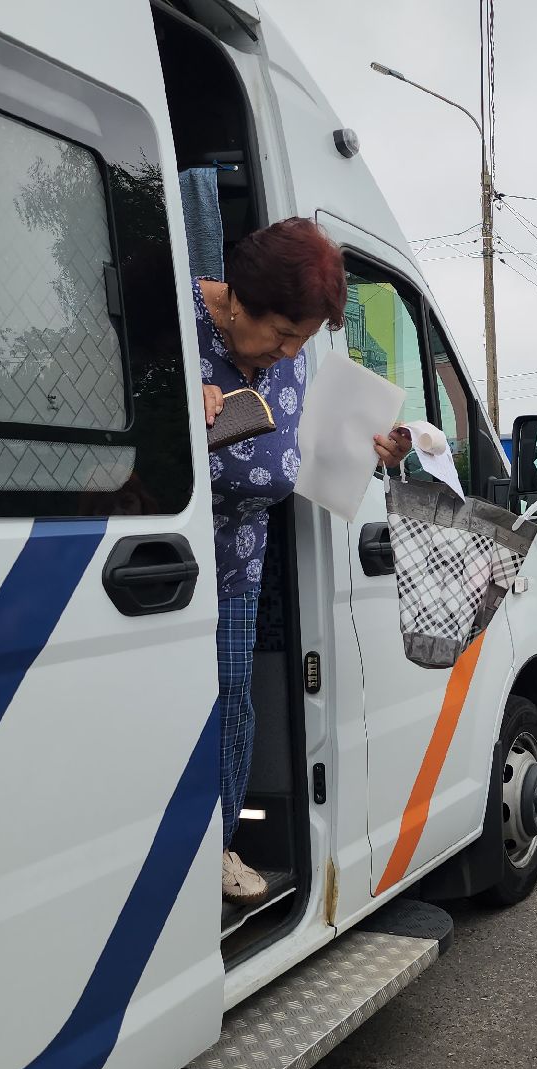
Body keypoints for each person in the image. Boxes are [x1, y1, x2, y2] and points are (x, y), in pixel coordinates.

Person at [194, 218, 410, 902]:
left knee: (231, 706)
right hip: (157, 564)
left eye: (302, 341)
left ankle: (218, 848)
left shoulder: (291, 356)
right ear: (237, 302)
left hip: (238, 565)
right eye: (283, 335)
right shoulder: (172, 323)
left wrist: (374, 451)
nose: (288, 352)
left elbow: (308, 443)